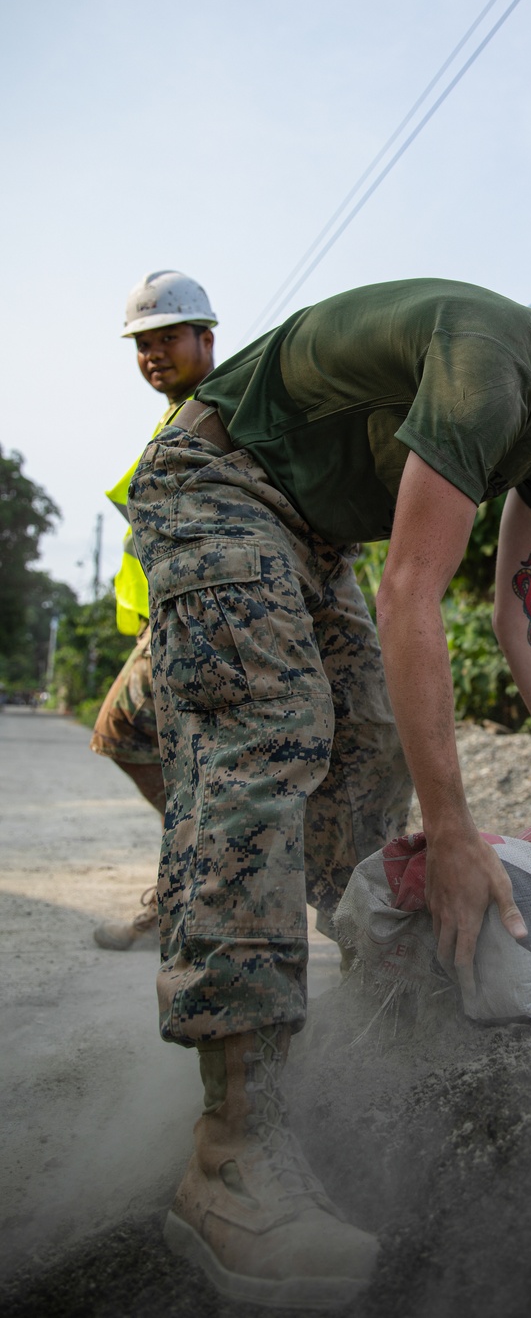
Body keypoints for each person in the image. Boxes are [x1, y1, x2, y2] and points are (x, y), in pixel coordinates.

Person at [127, 234, 531, 1309]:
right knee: (272, 731)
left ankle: (328, 1012)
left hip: (310, 534)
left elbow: (521, 617)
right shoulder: (489, 361)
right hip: (216, 482)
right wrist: (454, 834)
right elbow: (412, 597)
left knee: (377, 752)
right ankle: (231, 1150)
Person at [90, 271, 217, 949]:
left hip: (202, 623)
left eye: (169, 338)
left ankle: (197, 884)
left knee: (132, 738)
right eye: (142, 343)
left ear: (207, 336)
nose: (153, 354)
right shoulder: (175, 416)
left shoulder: (220, 408)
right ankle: (194, 881)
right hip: (165, 627)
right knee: (160, 755)